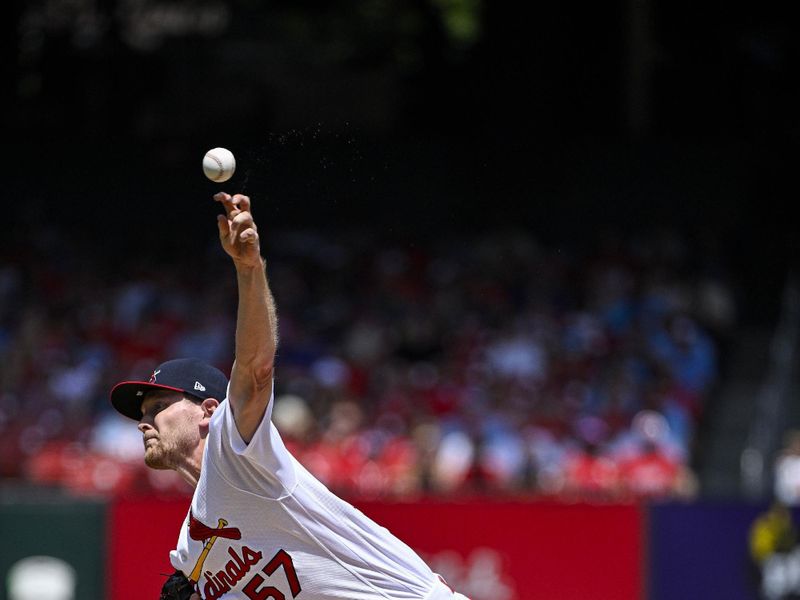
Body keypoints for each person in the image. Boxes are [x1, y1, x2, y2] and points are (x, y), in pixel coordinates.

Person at [109, 192, 469, 600]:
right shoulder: (190, 553)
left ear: (210, 410)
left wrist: (248, 268)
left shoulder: (234, 453)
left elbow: (256, 369)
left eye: (159, 407)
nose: (144, 421)